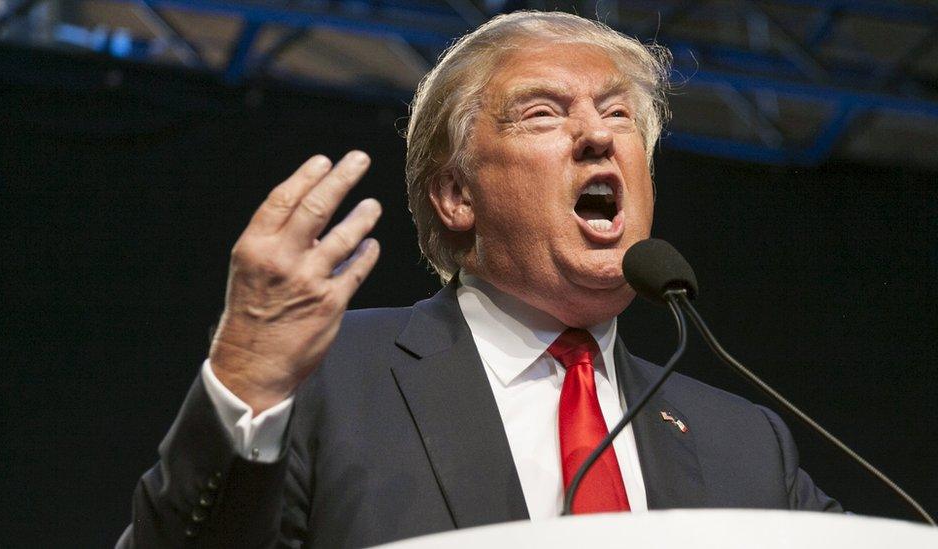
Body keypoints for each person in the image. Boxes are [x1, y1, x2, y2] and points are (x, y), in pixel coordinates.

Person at [119, 10, 840, 548]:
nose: (597, 134)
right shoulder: (330, 382)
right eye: (543, 114)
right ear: (457, 195)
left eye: (617, 112)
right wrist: (244, 374)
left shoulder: (745, 443)